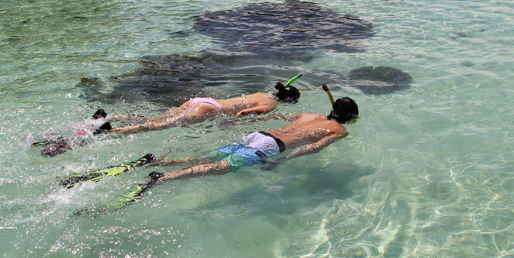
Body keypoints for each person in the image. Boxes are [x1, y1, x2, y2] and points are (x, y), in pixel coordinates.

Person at [144, 97, 359, 185]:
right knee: (221, 167)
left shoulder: (309, 115)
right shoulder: (340, 130)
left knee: (209, 157)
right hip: (271, 146)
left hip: (258, 134)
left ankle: (158, 162)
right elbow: (314, 148)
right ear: (350, 118)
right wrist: (282, 161)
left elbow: (276, 116)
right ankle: (164, 177)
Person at [108, 81, 301, 134]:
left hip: (202, 101)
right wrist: (231, 125)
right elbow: (243, 112)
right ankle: (113, 132)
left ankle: (112, 117)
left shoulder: (263, 94)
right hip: (210, 110)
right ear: (286, 101)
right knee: (159, 126)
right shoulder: (271, 105)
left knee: (154, 119)